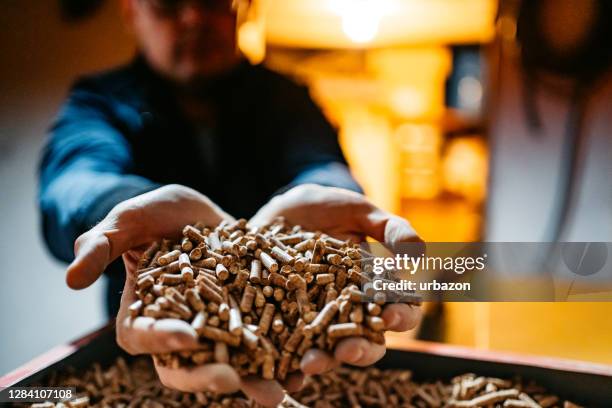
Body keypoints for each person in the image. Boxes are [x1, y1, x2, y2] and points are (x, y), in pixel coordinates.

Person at [38, 0, 422, 405]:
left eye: (215, 1)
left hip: (302, 369)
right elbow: (74, 182)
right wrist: (121, 207)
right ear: (131, 12)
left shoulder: (286, 99)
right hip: (153, 352)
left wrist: (328, 203)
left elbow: (320, 166)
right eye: (167, 4)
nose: (194, 16)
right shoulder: (97, 101)